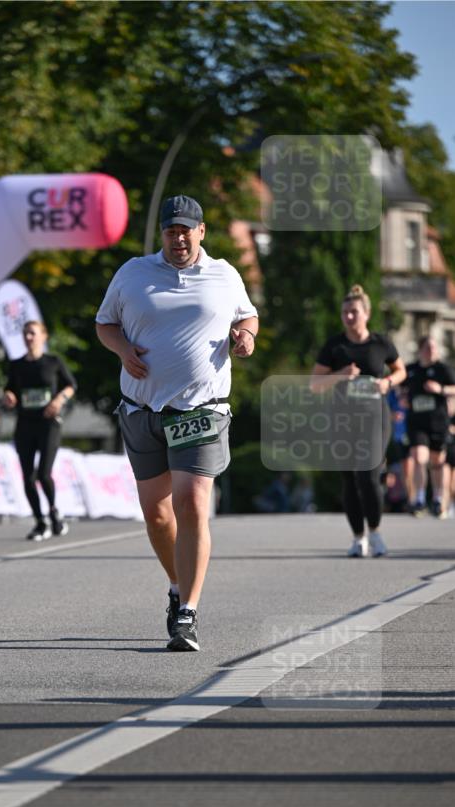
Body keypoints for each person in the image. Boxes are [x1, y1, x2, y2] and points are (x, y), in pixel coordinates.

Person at [96, 195, 258, 652]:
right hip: (142, 410)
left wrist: (245, 336)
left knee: (190, 502)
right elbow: (105, 324)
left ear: (202, 231)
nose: (179, 237)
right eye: (171, 230)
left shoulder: (224, 275)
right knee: (157, 513)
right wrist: (122, 349)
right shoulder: (132, 273)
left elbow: (248, 313)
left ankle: (187, 610)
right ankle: (176, 582)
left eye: (187, 230)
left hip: (201, 410)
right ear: (162, 234)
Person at [310, 284, 406, 557]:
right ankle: (358, 537)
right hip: (342, 419)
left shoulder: (381, 343)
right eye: (344, 313)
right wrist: (341, 374)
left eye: (353, 312)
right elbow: (315, 385)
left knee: (369, 475)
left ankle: (375, 532)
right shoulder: (334, 346)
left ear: (366, 313)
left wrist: (388, 382)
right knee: (349, 478)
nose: (348, 317)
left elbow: (401, 371)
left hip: (375, 417)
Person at [3, 320, 76, 540]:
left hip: (48, 424)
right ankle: (39, 522)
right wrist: (9, 396)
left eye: (33, 333)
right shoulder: (17, 365)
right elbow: (9, 389)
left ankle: (54, 513)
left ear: (43, 337)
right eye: (25, 334)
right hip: (25, 424)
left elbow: (71, 385)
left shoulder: (53, 362)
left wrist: (58, 400)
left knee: (43, 474)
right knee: (27, 476)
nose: (28, 338)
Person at [404, 335, 455, 519]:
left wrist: (440, 389)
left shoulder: (443, 370)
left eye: (434, 348)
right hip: (417, 423)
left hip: (438, 423)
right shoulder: (411, 370)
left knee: (437, 462)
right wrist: (402, 396)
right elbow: (400, 388)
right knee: (418, 457)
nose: (432, 351)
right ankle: (418, 498)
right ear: (421, 349)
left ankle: (438, 498)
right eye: (428, 347)